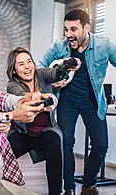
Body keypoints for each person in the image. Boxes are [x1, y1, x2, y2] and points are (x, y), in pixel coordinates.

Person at [39, 9, 116, 195]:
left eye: (73, 29)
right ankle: (69, 188)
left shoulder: (104, 46)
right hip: (67, 100)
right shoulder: (59, 46)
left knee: (100, 145)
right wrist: (52, 77)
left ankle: (89, 184)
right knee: (66, 142)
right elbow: (40, 68)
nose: (68, 34)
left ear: (86, 27)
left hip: (93, 101)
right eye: (66, 29)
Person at [6, 47, 79, 195]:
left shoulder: (41, 74)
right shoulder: (12, 85)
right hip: (23, 132)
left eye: (29, 61)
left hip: (46, 131)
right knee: (3, 153)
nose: (27, 66)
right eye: (21, 64)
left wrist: (67, 66)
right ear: (13, 70)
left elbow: (55, 73)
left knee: (55, 140)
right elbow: (23, 97)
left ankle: (55, 192)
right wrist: (43, 100)